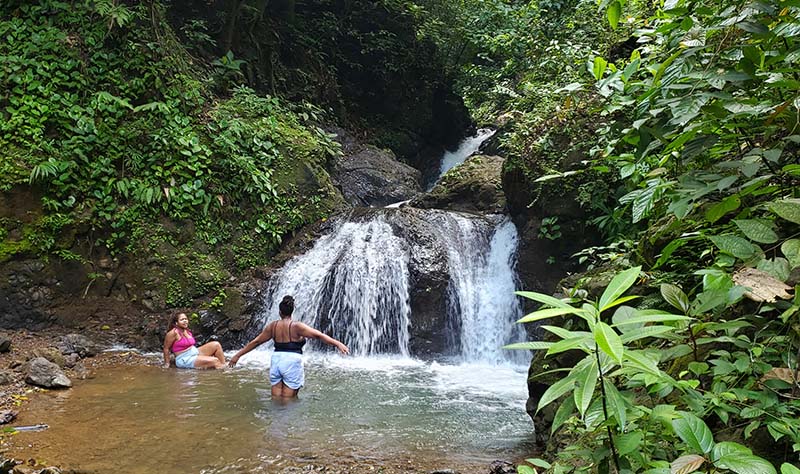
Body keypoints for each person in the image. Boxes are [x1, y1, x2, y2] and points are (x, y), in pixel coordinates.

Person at [229, 295, 349, 397]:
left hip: (276, 360)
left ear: (280, 312)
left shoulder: (273, 326)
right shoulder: (297, 326)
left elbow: (256, 342)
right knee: (288, 400)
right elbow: (319, 336)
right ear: (292, 311)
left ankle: (275, 422)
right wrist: (337, 343)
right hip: (292, 361)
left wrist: (237, 356)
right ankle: (287, 424)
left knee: (276, 398)